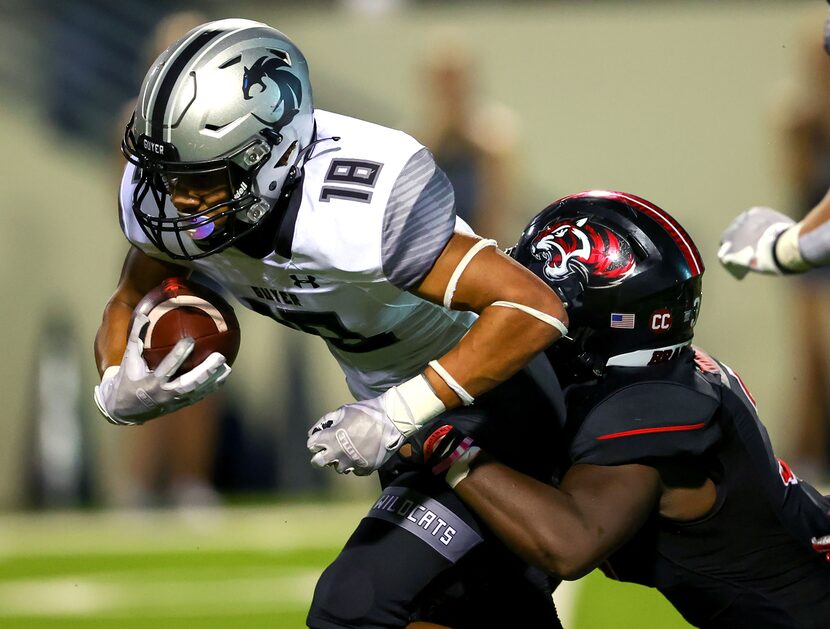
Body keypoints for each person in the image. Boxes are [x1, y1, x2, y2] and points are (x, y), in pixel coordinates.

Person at [92, 18, 570, 628]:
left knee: (355, 607)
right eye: (169, 177)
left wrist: (396, 411)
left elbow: (533, 307)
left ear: (272, 154)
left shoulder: (359, 204)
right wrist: (114, 383)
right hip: (405, 421)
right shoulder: (183, 200)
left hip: (494, 398)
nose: (180, 201)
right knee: (477, 612)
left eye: (202, 179)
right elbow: (131, 293)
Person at [417, 191, 830, 628]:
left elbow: (569, 543)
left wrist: (442, 443)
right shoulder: (660, 377)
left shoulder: (647, 408)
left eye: (535, 296)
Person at [718, 8, 830, 479]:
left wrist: (777, 249)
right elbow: (805, 188)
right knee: (813, 357)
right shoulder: (800, 117)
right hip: (817, 261)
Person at [416, 34, 519, 243]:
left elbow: (500, 204)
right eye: (443, 80)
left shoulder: (495, 132)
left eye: (454, 79)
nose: (450, 88)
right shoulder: (419, 137)